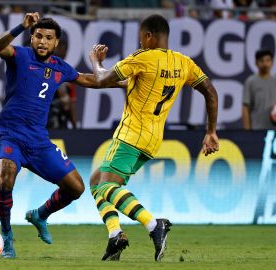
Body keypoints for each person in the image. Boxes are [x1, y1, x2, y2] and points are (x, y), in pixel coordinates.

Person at [0, 12, 123, 259]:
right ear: (31, 38)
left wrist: (124, 82)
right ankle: (7, 237)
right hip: (10, 135)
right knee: (5, 179)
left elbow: (88, 79)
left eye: (48, 38)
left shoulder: (60, 67)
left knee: (76, 188)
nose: (42, 41)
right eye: (38, 36)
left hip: (39, 142)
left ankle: (39, 215)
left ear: (56, 43)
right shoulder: (20, 56)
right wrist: (22, 25)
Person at [88, 14, 219, 261]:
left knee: (106, 186)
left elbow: (103, 78)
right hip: (152, 140)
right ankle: (115, 235)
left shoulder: (142, 58)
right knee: (96, 182)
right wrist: (211, 131)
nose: (139, 43)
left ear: (148, 36)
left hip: (130, 134)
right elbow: (211, 92)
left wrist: (96, 60)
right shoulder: (184, 63)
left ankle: (153, 224)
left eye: (140, 38)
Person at [242, 49, 276, 130]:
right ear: (256, 63)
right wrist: (248, 131)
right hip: (257, 130)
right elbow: (246, 108)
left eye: (268, 60)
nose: (265, 64)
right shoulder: (250, 82)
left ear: (272, 62)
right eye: (262, 61)